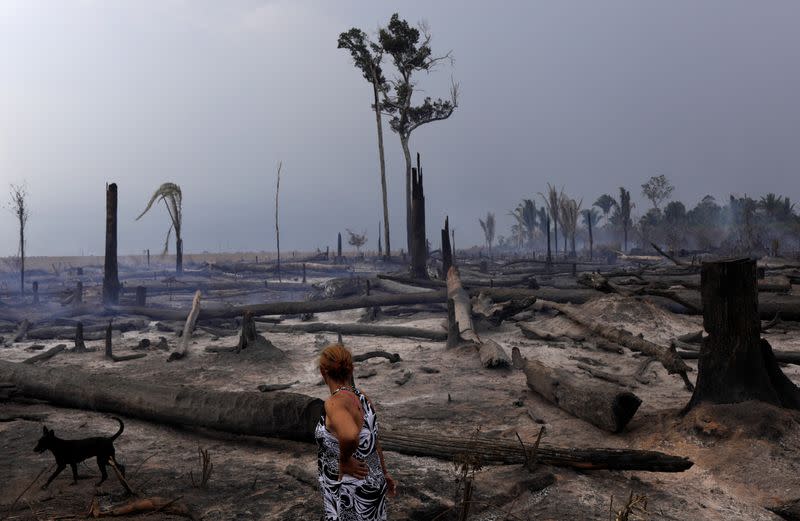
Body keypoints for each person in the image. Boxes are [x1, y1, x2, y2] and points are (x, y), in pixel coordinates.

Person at [315, 343, 396, 520]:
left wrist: (344, 461)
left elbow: (350, 436)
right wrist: (384, 472)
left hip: (350, 491)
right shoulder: (362, 397)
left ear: (323, 372)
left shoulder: (334, 403)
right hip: (372, 482)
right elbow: (374, 439)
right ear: (351, 370)